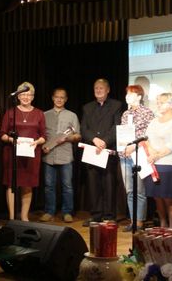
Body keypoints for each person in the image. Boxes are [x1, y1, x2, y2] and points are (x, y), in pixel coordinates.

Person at [0, 82, 46, 221]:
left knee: (27, 185)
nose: (26, 97)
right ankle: (12, 218)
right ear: (18, 96)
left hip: (31, 155)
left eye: (29, 94)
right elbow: (2, 134)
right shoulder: (11, 112)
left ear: (33, 97)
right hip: (12, 154)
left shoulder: (39, 113)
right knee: (12, 185)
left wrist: (37, 142)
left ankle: (24, 217)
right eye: (23, 94)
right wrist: (12, 140)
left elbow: (44, 136)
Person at [81, 78, 123, 226]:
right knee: (93, 184)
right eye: (96, 88)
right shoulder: (87, 107)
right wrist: (94, 139)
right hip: (92, 149)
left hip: (107, 149)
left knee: (109, 183)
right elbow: (84, 128)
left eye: (101, 88)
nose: (98, 91)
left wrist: (104, 141)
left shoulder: (116, 105)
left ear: (108, 90)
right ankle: (96, 215)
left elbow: (116, 127)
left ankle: (109, 216)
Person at [40, 88, 81, 223]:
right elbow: (41, 135)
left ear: (66, 99)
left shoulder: (72, 115)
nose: (59, 99)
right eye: (57, 97)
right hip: (49, 155)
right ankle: (49, 211)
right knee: (49, 186)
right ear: (53, 98)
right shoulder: (44, 115)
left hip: (65, 155)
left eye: (62, 97)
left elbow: (78, 136)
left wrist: (67, 138)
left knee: (67, 186)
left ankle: (67, 212)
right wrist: (43, 146)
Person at [145, 93, 172, 228]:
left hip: (170, 163)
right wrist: (151, 153)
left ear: (171, 105)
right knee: (157, 196)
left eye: (161, 102)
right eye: (158, 102)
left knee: (168, 196)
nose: (158, 105)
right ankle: (162, 224)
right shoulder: (154, 121)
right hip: (154, 162)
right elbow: (147, 139)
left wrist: (157, 155)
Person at [118, 85, 154, 231]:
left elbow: (149, 133)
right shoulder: (125, 114)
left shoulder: (147, 112)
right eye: (127, 94)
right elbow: (123, 133)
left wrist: (135, 145)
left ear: (139, 97)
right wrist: (123, 147)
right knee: (129, 190)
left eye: (131, 94)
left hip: (139, 154)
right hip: (125, 154)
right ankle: (132, 220)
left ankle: (139, 222)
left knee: (139, 190)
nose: (127, 97)